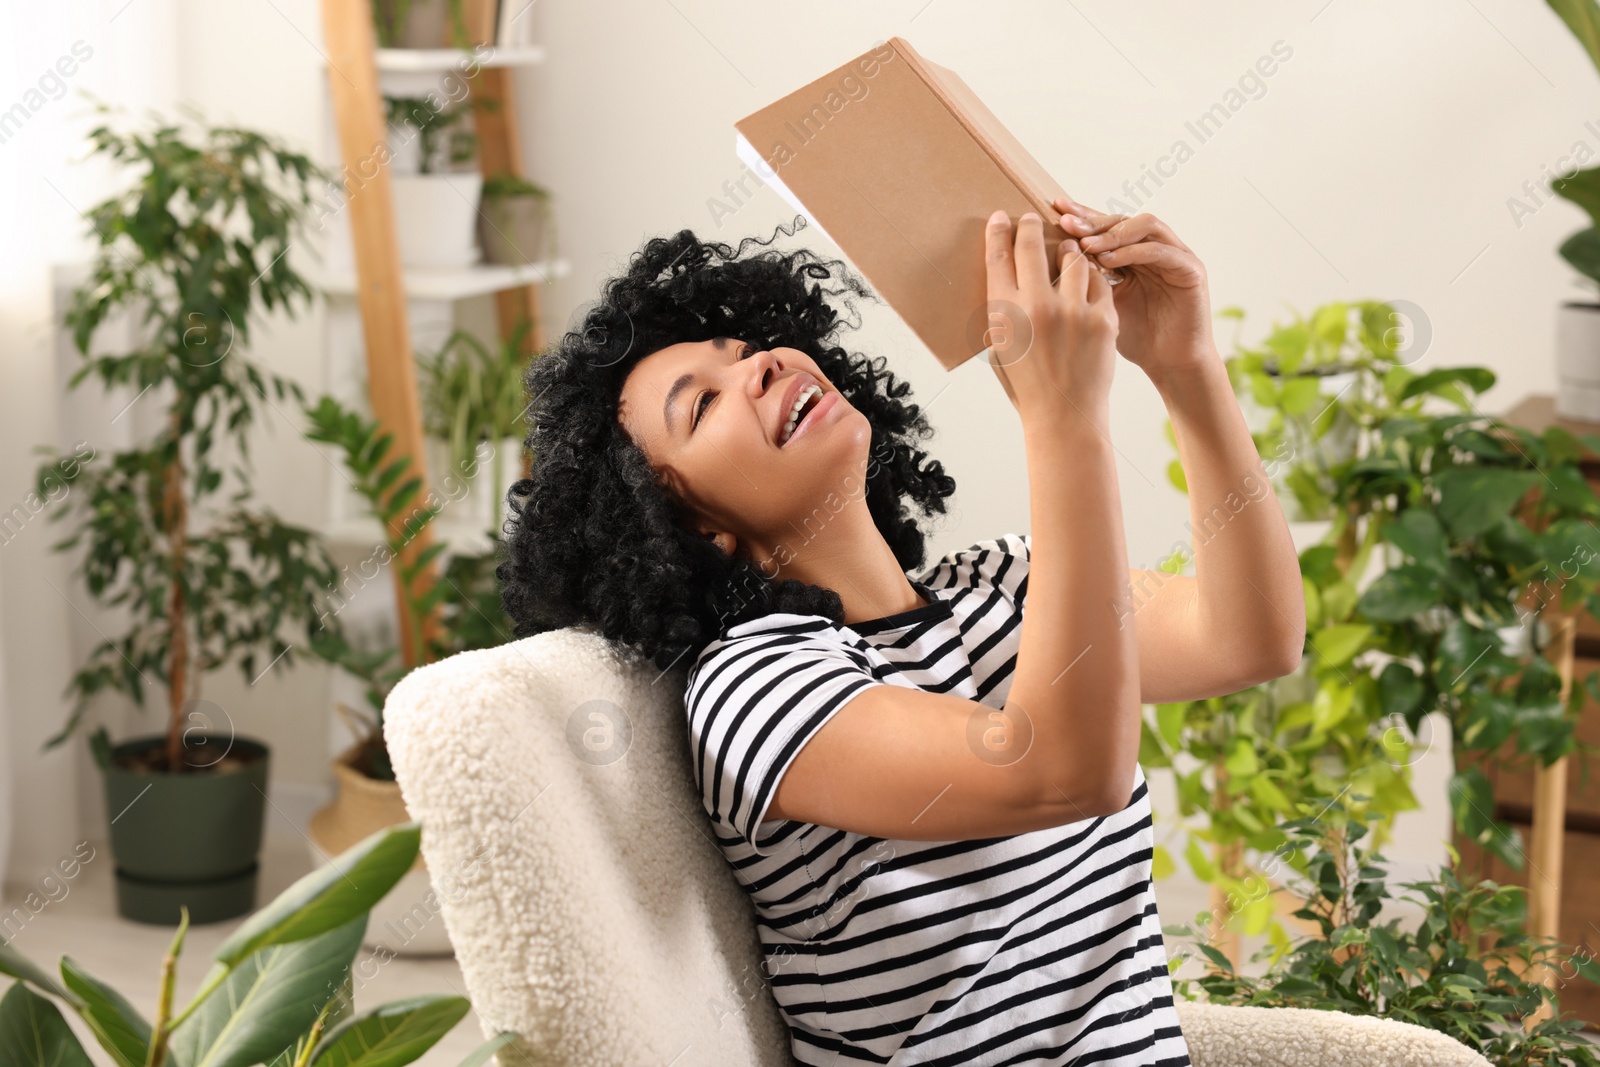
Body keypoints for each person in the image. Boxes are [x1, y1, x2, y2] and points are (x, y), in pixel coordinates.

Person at [499, 199, 1306, 1065]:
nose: (759, 368)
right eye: (702, 405)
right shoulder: (750, 691)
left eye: (742, 352)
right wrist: (1062, 418)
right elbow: (1059, 772)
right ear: (693, 528)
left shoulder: (997, 584)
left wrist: (1183, 364)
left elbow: (1250, 635)